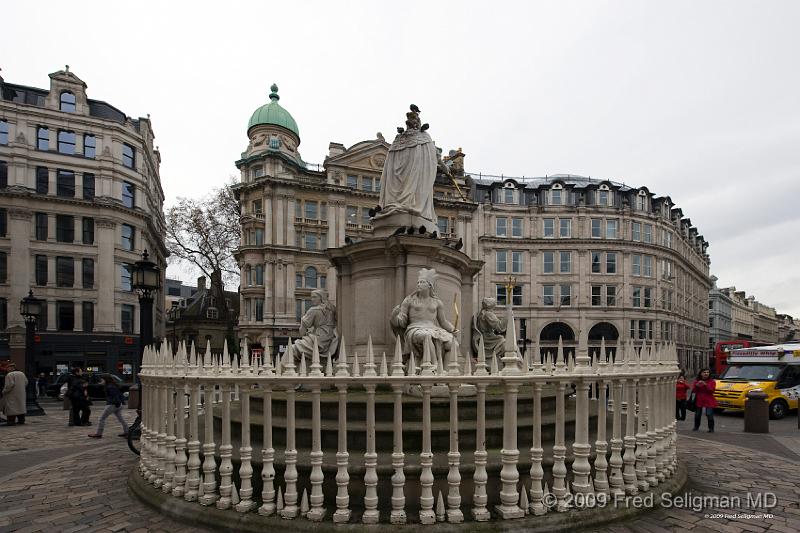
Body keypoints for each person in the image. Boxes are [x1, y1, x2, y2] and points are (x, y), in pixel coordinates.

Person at [391, 268, 459, 364]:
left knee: (453, 344)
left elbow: (443, 322)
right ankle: (434, 367)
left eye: (422, 282)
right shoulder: (409, 300)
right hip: (415, 328)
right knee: (426, 336)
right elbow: (401, 322)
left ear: (429, 285)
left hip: (434, 329)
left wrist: (452, 329)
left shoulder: (437, 302)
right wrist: (394, 316)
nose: (419, 284)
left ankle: (448, 371)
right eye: (418, 282)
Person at [293, 289, 338, 363]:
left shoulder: (313, 310)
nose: (312, 299)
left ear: (321, 298)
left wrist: (303, 321)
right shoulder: (332, 308)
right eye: (311, 297)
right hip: (331, 338)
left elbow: (302, 332)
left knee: (292, 349)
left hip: (319, 339)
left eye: (314, 297)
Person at [692, 367, 717, 432]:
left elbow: (712, 390)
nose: (706, 374)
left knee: (709, 414)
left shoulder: (712, 381)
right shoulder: (697, 381)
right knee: (697, 415)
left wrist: (705, 384)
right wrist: (697, 385)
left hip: (709, 400)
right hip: (699, 400)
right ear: (701, 373)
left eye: (707, 372)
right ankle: (696, 427)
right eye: (704, 372)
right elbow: (694, 391)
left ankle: (711, 429)